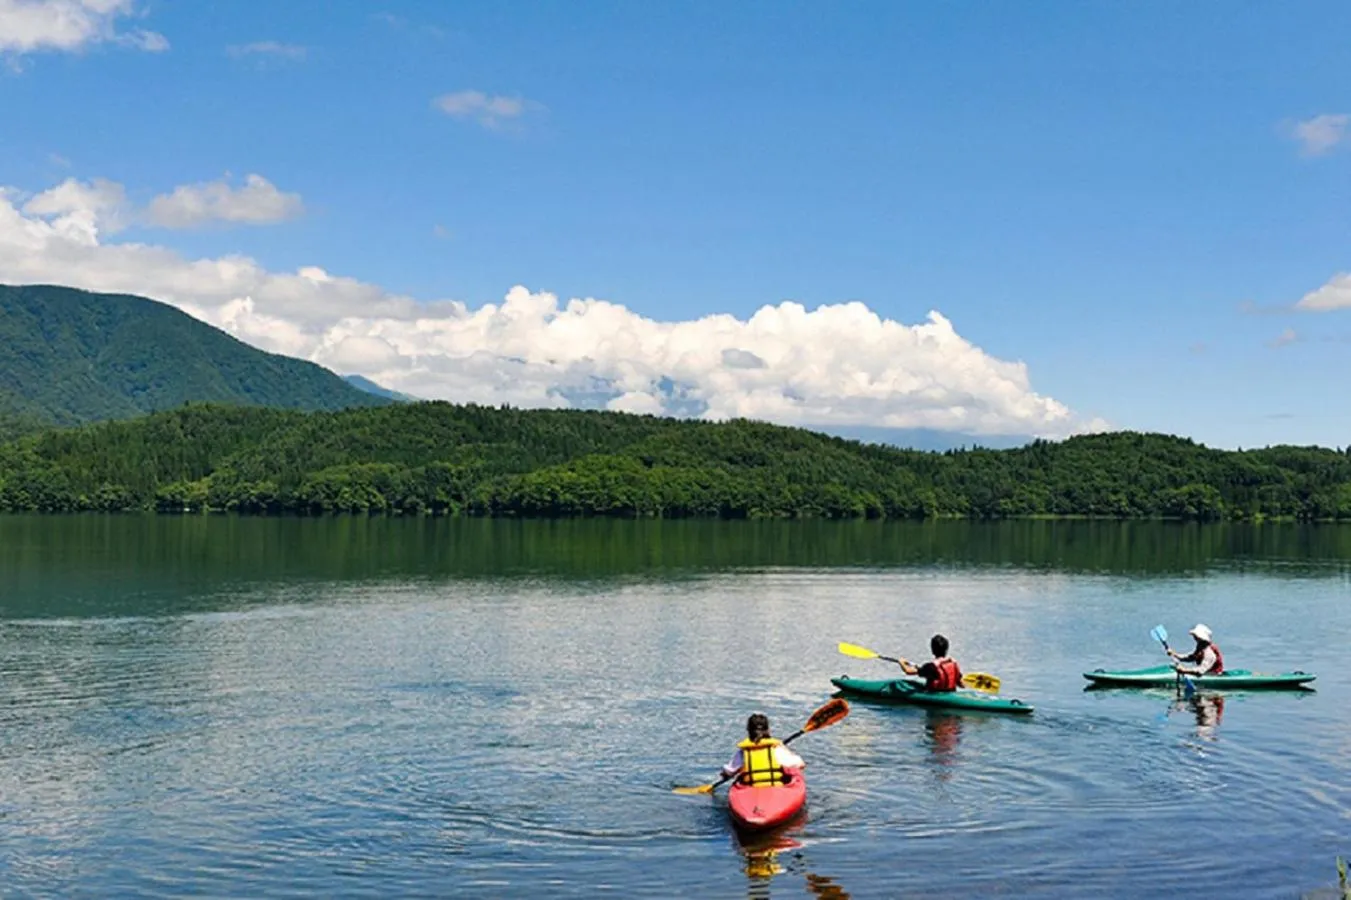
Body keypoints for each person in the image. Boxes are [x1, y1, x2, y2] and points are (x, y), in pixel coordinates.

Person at [721, 713, 805, 785]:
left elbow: (729, 772)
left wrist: (725, 775)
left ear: (748, 730)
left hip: (751, 789)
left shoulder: (743, 752)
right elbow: (800, 764)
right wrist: (787, 751)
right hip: (775, 788)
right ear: (768, 730)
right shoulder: (777, 749)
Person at [897, 634, 963, 692]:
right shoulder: (953, 663)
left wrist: (901, 662)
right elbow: (960, 684)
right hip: (951, 692)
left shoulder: (931, 667)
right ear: (946, 649)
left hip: (935, 695)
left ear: (933, 650)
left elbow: (908, 671)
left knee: (903, 684)